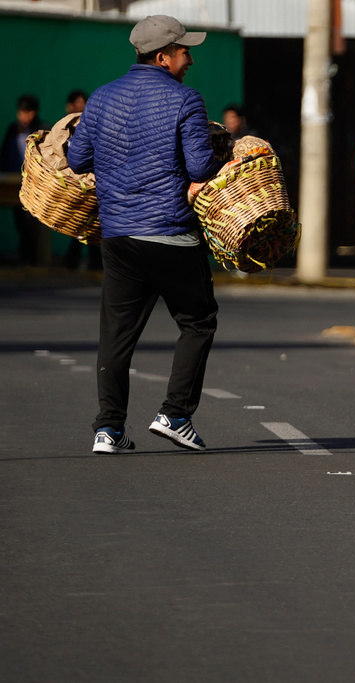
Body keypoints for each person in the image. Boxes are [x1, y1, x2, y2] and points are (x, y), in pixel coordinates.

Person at [67, 15, 222, 454]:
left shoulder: (99, 99)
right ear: (163, 57)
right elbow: (198, 169)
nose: (190, 59)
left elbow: (78, 161)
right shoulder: (186, 101)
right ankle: (175, 414)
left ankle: (108, 430)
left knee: (115, 337)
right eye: (184, 51)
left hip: (118, 236)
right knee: (198, 321)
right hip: (170, 232)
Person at [1, 94, 47, 265]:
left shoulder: (42, 130)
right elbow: (5, 154)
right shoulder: (13, 129)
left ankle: (34, 258)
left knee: (32, 221)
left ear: (35, 112)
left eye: (29, 112)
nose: (25, 116)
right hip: (14, 183)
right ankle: (25, 256)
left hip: (35, 184)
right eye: (22, 112)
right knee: (20, 221)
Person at [62, 89, 104, 271]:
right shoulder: (62, 129)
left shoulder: (93, 127)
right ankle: (75, 260)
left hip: (91, 184)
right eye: (76, 104)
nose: (80, 108)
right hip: (72, 185)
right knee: (79, 223)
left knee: (91, 223)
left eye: (83, 104)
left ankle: (92, 262)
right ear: (68, 107)